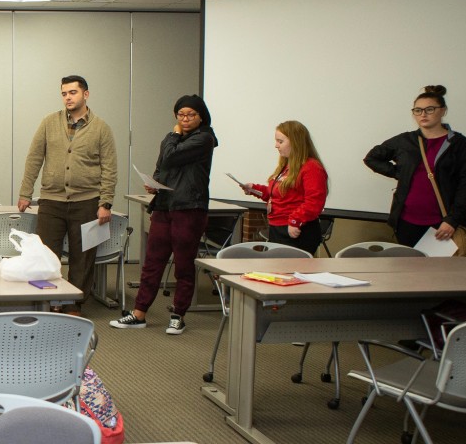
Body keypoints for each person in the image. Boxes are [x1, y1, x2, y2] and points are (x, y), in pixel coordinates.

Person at [110, 95, 217, 334]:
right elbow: (163, 166)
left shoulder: (204, 138)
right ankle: (139, 313)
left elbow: (170, 156)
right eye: (180, 115)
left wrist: (173, 134)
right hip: (164, 205)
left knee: (183, 266)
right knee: (152, 262)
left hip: (189, 208)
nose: (185, 119)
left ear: (201, 117)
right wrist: (155, 183)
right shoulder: (173, 139)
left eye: (190, 115)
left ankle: (178, 315)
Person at [17, 75, 117, 315]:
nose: (68, 97)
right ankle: (50, 300)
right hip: (52, 200)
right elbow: (34, 158)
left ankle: (74, 304)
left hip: (87, 201)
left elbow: (109, 168)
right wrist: (25, 192)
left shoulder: (101, 128)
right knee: (46, 254)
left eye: (73, 92)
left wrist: (105, 202)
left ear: (86, 94)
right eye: (64, 93)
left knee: (82, 257)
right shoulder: (49, 122)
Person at [364, 85, 466, 247]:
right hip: (406, 222)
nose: (423, 114)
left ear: (443, 111)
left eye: (430, 109)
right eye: (418, 110)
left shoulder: (459, 144)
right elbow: (371, 158)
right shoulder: (405, 141)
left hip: (443, 224)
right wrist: (400, 173)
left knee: (439, 264)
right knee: (409, 262)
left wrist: (452, 220)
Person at [239, 120, 328, 255]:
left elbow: (314, 201)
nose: (276, 145)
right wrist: (253, 189)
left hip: (297, 229)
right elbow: (275, 194)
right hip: (278, 227)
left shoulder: (311, 167)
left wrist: (295, 220)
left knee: (290, 268)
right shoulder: (286, 166)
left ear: (296, 142)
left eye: (280, 141)